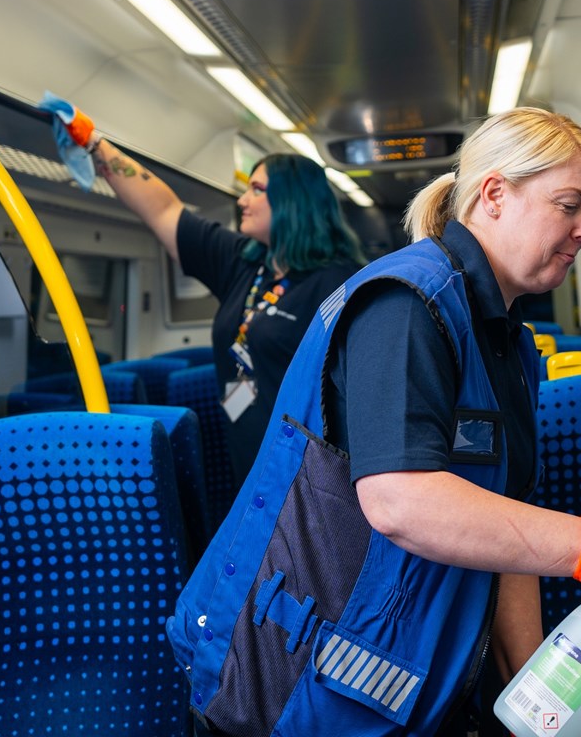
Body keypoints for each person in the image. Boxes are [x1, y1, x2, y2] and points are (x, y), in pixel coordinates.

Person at [166, 107, 581, 736]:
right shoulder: (407, 304)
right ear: (496, 195)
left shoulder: (506, 342)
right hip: (291, 689)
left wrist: (528, 699)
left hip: (405, 681)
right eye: (570, 205)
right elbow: (402, 501)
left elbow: (505, 529)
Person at [41, 95, 366, 488]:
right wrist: (94, 143)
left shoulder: (341, 282)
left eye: (257, 190)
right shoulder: (245, 262)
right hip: (247, 467)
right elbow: (163, 211)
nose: (242, 200)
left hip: (310, 479)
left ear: (294, 202)